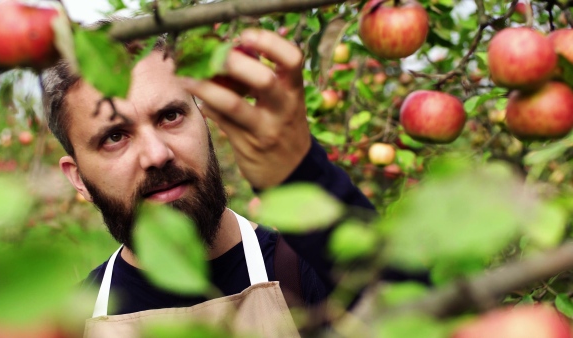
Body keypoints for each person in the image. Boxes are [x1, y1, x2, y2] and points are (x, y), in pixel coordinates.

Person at [41, 28, 376, 337]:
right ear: (78, 178)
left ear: (204, 118)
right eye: (114, 136)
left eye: (170, 116)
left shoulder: (309, 273)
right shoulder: (68, 324)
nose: (157, 154)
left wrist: (304, 175)